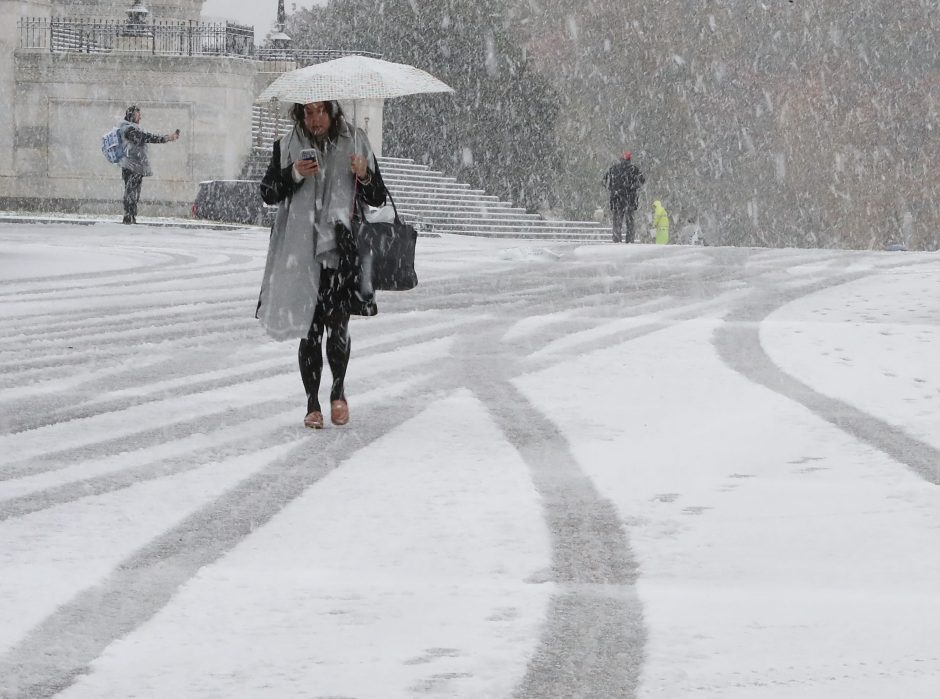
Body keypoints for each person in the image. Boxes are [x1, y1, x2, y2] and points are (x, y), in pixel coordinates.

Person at [257, 100, 387, 430]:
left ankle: (338, 392)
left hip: (340, 251)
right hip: (300, 252)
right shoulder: (286, 146)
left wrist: (365, 174)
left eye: (320, 111)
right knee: (309, 329)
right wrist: (295, 173)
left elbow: (378, 198)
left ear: (333, 112)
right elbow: (268, 192)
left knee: (338, 327)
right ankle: (312, 404)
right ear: (300, 115)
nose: (314, 119)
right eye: (308, 112)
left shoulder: (356, 142)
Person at [117, 106, 180, 224]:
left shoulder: (131, 128)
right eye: (138, 114)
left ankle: (131, 216)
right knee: (131, 191)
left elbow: (144, 137)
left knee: (134, 192)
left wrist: (166, 138)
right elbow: (144, 137)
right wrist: (166, 138)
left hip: (136, 166)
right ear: (131, 115)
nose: (140, 117)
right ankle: (128, 216)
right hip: (131, 167)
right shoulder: (128, 129)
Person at [603, 151, 645, 243]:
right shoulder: (634, 169)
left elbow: (604, 181)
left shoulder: (613, 169)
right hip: (630, 200)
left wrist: (613, 189)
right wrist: (632, 188)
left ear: (621, 159)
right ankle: (629, 241)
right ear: (630, 159)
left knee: (617, 222)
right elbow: (642, 181)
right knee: (630, 222)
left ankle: (617, 240)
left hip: (616, 200)